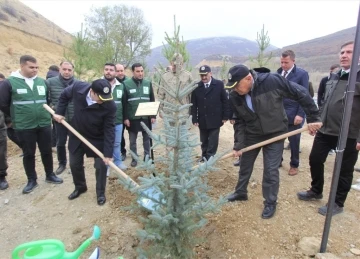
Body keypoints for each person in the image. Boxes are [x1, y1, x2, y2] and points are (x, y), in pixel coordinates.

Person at [226, 64, 321, 219]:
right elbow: (240, 121)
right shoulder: (235, 95)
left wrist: (313, 118)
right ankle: (240, 192)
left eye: (237, 85)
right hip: (253, 134)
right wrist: (238, 145)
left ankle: (270, 202)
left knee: (270, 170)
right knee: (245, 164)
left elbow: (301, 93)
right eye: (232, 87)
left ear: (248, 78)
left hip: (275, 133)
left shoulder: (272, 81)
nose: (234, 89)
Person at [297, 41, 360, 216]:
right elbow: (324, 102)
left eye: (349, 52)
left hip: (348, 134)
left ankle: (337, 203)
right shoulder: (334, 76)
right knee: (315, 159)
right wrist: (316, 122)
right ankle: (316, 191)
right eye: (342, 52)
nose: (344, 55)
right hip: (326, 130)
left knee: (344, 170)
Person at [0, 55, 63, 194]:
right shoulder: (10, 83)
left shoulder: (42, 82)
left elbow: (47, 100)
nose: (35, 70)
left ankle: (50, 175)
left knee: (46, 151)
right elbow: (3, 103)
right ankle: (32, 180)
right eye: (31, 67)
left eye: (36, 67)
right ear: (22, 66)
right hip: (24, 125)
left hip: (44, 123)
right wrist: (14, 118)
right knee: (29, 153)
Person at [53, 79, 116, 205]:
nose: (103, 101)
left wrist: (108, 153)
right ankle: (80, 187)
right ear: (92, 92)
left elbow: (109, 129)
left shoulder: (110, 105)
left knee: (101, 166)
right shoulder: (78, 87)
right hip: (77, 134)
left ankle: (100, 193)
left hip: (97, 138)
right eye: (100, 97)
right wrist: (59, 112)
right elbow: (64, 95)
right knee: (75, 164)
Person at [47, 61, 87, 175]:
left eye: (69, 70)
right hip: (60, 119)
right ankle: (62, 163)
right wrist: (53, 110)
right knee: (60, 142)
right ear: (60, 69)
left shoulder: (79, 83)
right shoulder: (50, 82)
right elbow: (46, 100)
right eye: (64, 69)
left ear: (73, 71)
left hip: (75, 119)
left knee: (77, 143)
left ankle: (76, 164)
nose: (67, 72)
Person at [277, 50, 310, 176]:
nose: (283, 65)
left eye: (286, 62)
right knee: (278, 138)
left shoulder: (302, 74)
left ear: (293, 61)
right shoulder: (279, 73)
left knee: (294, 141)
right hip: (280, 113)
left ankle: (294, 165)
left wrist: (301, 114)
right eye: (282, 62)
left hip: (294, 113)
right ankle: (277, 161)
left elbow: (305, 95)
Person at [191, 65, 230, 162]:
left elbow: (225, 101)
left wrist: (226, 115)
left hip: (215, 118)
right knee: (203, 140)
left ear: (210, 74)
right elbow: (193, 104)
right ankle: (204, 157)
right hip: (202, 118)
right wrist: (194, 118)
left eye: (205, 75)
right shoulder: (196, 87)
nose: (204, 77)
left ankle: (210, 158)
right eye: (201, 75)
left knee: (213, 141)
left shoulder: (219, 84)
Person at [123, 63, 156, 167]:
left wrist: (153, 115)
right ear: (133, 72)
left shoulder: (148, 83)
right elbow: (124, 103)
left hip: (146, 116)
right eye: (138, 71)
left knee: (147, 139)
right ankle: (134, 158)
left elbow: (152, 99)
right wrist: (126, 118)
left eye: (142, 71)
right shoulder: (126, 84)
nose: (140, 73)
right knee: (132, 141)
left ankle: (147, 157)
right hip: (133, 118)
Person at [102, 63, 127, 172]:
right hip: (102, 122)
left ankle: (118, 162)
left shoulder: (121, 86)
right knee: (105, 144)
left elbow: (124, 103)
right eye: (106, 69)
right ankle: (107, 165)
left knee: (117, 143)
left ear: (115, 72)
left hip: (117, 121)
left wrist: (125, 118)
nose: (108, 72)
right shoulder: (98, 84)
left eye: (111, 70)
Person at [158, 53, 193, 117]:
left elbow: (192, 95)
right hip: (168, 112)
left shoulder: (188, 76)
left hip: (183, 112)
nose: (174, 66)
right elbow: (161, 94)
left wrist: (192, 111)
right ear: (171, 63)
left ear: (182, 64)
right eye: (173, 64)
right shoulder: (165, 76)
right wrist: (160, 110)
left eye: (176, 65)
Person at [115, 63, 128, 162]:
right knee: (120, 135)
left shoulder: (128, 82)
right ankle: (122, 152)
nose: (120, 73)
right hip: (119, 115)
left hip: (129, 113)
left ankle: (135, 153)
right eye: (118, 71)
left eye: (121, 70)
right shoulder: (112, 83)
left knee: (133, 135)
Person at [46, 65, 60, 148]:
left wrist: (50, 104)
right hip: (56, 105)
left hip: (53, 105)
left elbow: (48, 94)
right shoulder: (56, 76)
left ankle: (53, 143)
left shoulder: (48, 77)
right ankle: (54, 142)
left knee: (55, 126)